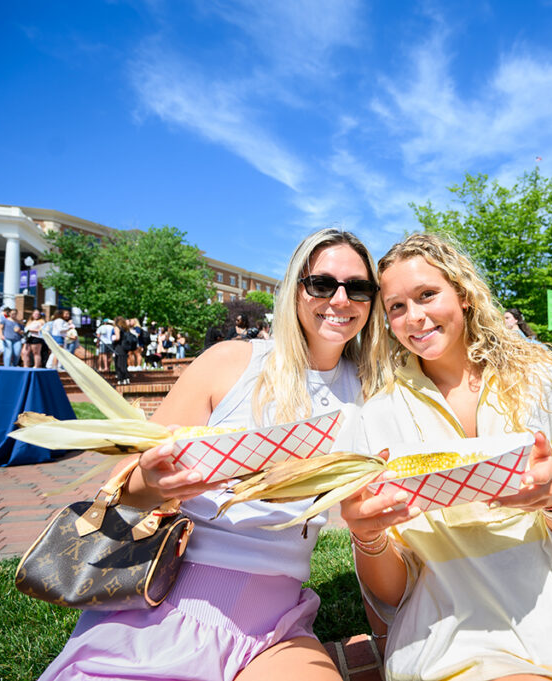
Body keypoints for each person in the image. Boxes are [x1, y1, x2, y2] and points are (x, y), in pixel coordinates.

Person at [38, 228, 387, 681]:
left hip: (276, 627)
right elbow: (126, 493)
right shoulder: (232, 363)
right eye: (322, 284)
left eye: (358, 288)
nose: (340, 299)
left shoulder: (369, 390)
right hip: (168, 601)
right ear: (294, 291)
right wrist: (152, 483)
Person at [339, 233, 552, 681]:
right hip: (446, 633)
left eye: (427, 295)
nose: (414, 317)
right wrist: (367, 535)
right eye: (396, 307)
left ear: (465, 294)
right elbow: (392, 596)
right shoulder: (378, 414)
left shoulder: (548, 383)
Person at [111, 316, 132, 385]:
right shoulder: (125, 328)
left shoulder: (117, 327)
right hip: (125, 347)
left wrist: (113, 339)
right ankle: (126, 378)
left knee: (118, 363)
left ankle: (120, 378)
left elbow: (117, 337)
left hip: (119, 347)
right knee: (123, 363)